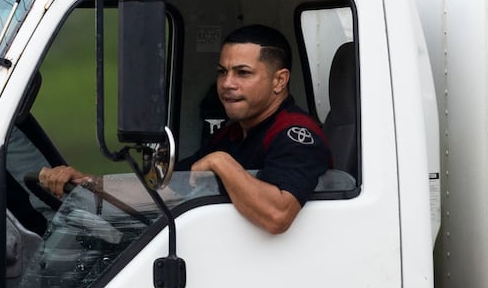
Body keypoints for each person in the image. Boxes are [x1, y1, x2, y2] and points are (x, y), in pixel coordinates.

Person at [38, 23, 326, 236]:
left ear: (279, 81)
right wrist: (87, 184)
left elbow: (277, 215)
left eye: (243, 73)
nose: (227, 84)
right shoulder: (233, 134)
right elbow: (167, 189)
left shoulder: (296, 135)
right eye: (222, 72)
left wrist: (221, 163)